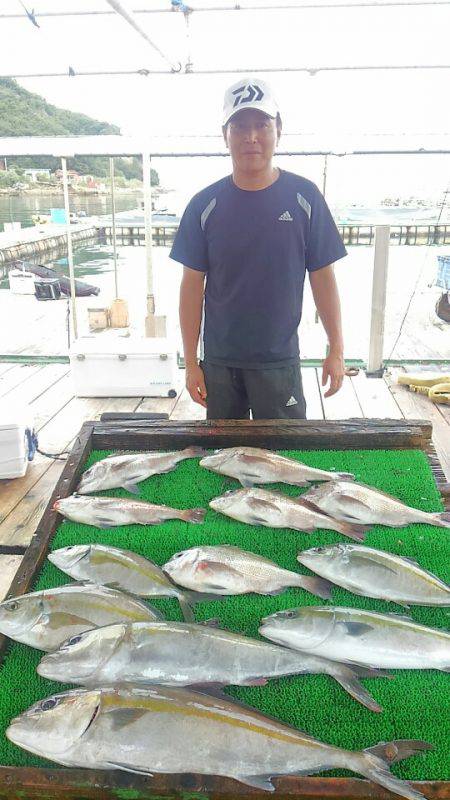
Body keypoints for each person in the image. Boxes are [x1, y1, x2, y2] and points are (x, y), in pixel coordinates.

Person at [170, 78, 347, 419]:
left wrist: (336, 348)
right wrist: (191, 363)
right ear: (225, 135)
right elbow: (191, 286)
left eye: (261, 125)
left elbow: (323, 277)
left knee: (285, 458)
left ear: (278, 129)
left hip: (279, 362)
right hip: (220, 364)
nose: (251, 137)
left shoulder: (305, 198)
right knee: (223, 458)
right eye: (239, 126)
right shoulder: (203, 205)